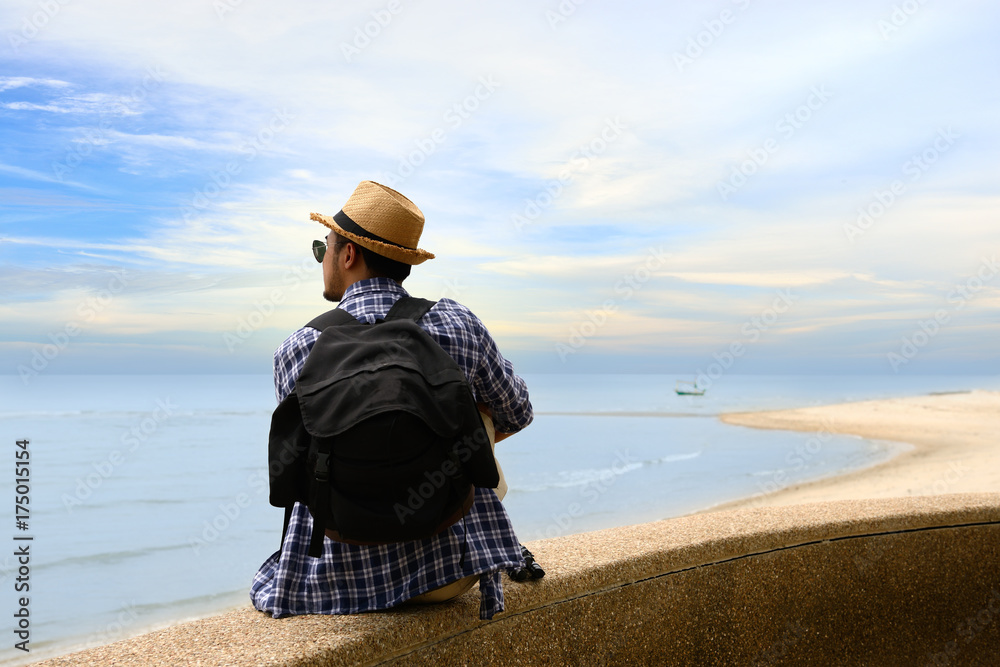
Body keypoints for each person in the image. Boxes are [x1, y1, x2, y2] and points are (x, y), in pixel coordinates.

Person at [250, 180, 534, 621]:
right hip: (449, 575)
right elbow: (518, 410)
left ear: (348, 255)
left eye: (322, 248)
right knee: (475, 409)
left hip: (332, 583)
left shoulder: (298, 348)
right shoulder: (457, 324)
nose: (321, 260)